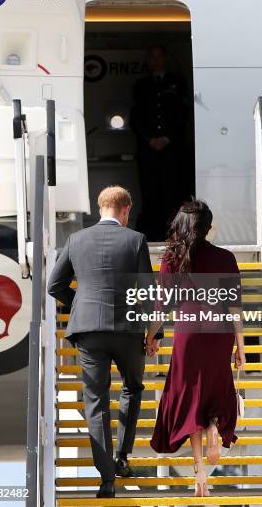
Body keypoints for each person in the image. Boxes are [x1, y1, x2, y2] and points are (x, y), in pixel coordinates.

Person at [47, 186, 163, 499]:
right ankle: (122, 457)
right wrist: (155, 334)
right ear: (126, 210)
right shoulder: (135, 240)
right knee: (132, 388)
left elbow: (53, 285)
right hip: (128, 330)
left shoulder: (75, 240)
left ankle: (106, 479)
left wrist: (79, 304)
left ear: (101, 208)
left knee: (96, 402)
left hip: (88, 331)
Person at [146, 199, 246, 497]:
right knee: (214, 388)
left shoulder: (172, 257)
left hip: (189, 332)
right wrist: (241, 348)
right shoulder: (226, 257)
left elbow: (161, 304)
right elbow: (235, 308)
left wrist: (151, 336)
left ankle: (199, 469)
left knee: (190, 396)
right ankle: (215, 423)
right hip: (219, 333)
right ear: (207, 228)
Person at [130, 44, 189, 242]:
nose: (156, 61)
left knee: (171, 189)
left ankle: (173, 233)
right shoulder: (141, 84)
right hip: (148, 149)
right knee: (149, 191)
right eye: (152, 57)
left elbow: (183, 115)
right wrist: (149, 138)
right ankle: (152, 233)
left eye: (159, 56)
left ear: (166, 59)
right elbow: (136, 116)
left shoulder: (177, 83)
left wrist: (166, 138)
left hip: (171, 149)